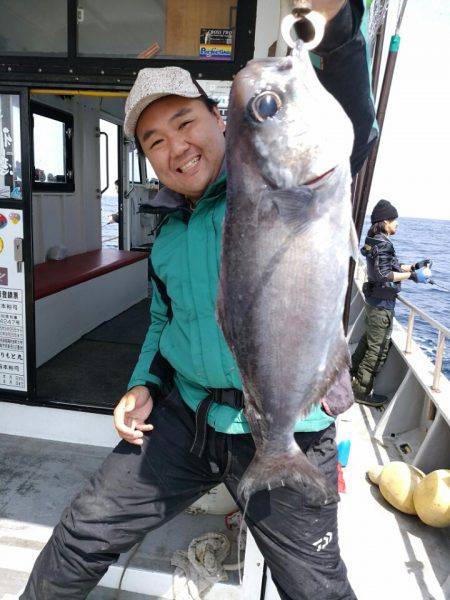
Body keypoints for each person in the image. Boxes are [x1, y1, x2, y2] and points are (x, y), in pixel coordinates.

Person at [20, 2, 376, 598]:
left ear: (219, 119)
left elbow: (350, 127)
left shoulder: (272, 183)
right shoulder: (167, 233)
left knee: (316, 589)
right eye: (154, 141)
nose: (175, 147)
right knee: (81, 534)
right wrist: (143, 385)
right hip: (185, 419)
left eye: (185, 123)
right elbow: (164, 321)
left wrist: (337, 26)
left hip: (289, 424)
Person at [351, 199, 432, 407]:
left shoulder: (375, 240)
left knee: (367, 342)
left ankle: (348, 376)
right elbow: (383, 274)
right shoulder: (384, 243)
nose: (397, 224)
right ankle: (361, 392)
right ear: (385, 222)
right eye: (394, 220)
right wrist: (413, 276)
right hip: (381, 306)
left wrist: (414, 266)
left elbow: (392, 265)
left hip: (373, 302)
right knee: (377, 350)